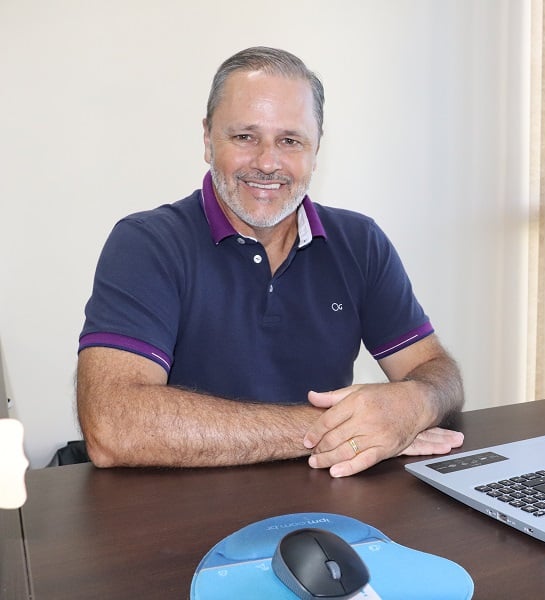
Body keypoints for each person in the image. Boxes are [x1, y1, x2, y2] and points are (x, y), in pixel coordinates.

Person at [76, 47, 464, 477]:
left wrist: (415, 403)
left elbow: (434, 370)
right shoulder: (147, 244)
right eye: (245, 137)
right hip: (182, 512)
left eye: (290, 141)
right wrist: (342, 429)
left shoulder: (360, 242)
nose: (267, 163)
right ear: (207, 139)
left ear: (316, 150)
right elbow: (113, 426)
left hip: (327, 503)